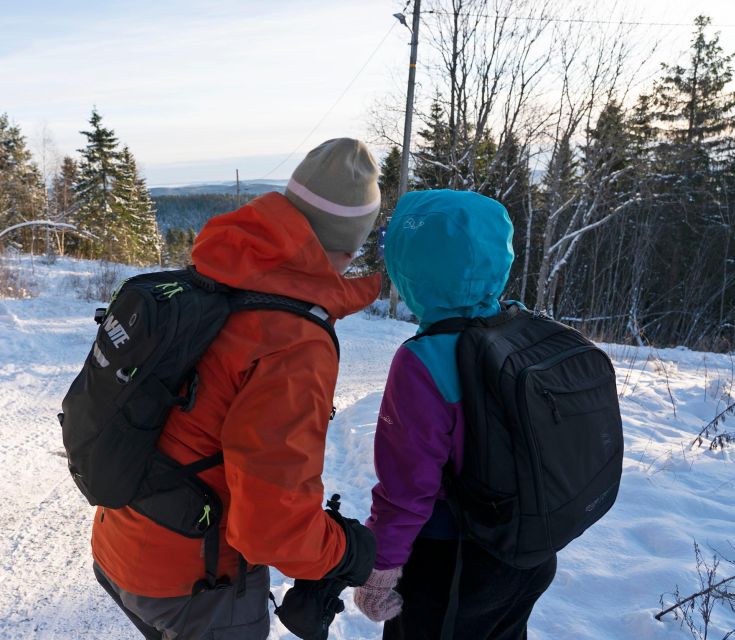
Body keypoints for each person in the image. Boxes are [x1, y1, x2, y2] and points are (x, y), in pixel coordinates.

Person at [91, 138, 382, 639]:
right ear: (351, 245)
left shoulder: (216, 272)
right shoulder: (292, 342)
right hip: (195, 583)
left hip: (121, 542)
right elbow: (271, 527)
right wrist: (346, 550)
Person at [353, 190, 557, 639]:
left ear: (411, 270)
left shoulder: (423, 362)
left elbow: (407, 489)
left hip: (453, 564)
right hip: (528, 554)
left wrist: (381, 570)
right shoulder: (523, 328)